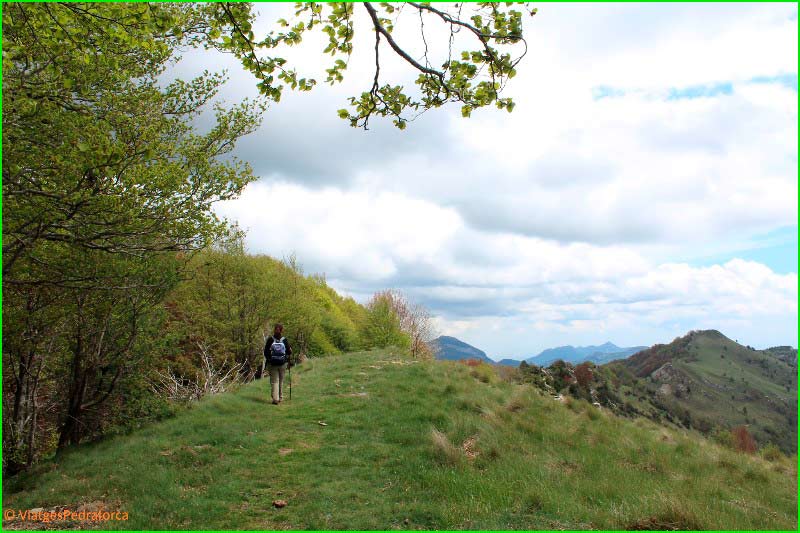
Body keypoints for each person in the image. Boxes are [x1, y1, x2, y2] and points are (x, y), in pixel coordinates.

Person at [264, 324, 292, 405]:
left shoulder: (270, 340)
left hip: (272, 364)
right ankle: (280, 397)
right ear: (282, 331)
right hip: (283, 363)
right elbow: (289, 352)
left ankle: (275, 399)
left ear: (274, 330)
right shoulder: (284, 340)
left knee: (274, 381)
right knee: (281, 381)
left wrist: (269, 360)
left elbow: (266, 352)